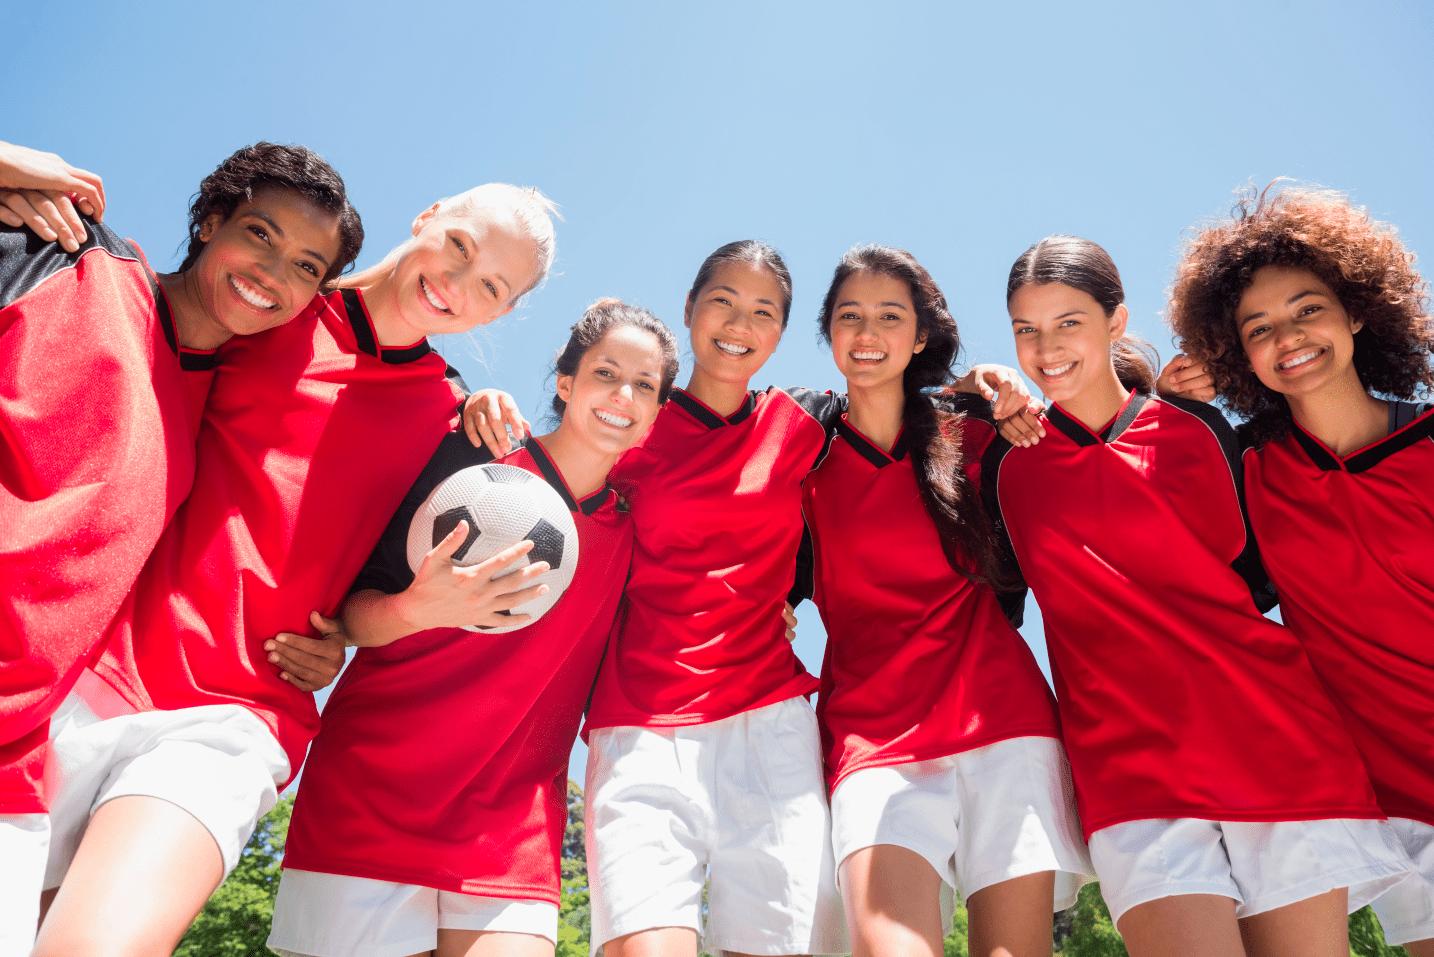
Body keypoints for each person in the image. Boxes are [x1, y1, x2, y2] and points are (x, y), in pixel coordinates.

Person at [31, 181, 559, 957]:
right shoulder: (263, 302)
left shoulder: (455, 431)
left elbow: (359, 610)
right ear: (427, 218)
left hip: (233, 715)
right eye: (459, 245)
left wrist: (407, 611)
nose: (456, 282)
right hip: (79, 668)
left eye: (490, 286)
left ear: (501, 314)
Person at [530, 239, 1034, 957]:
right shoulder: (630, 427)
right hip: (643, 725)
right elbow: (539, 488)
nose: (740, 322)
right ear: (689, 310)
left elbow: (899, 411)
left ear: (785, 331)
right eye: (722, 301)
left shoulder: (802, 424)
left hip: (771, 727)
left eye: (763, 310)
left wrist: (989, 383)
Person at [980, 234, 1411, 957]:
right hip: (1132, 777)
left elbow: (1261, 581)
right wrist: (983, 381)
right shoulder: (1003, 460)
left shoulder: (1201, 430)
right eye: (1026, 329)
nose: (1046, 347)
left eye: (1069, 323)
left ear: (1116, 323)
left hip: (1274, 748)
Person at [0, 140, 359, 957]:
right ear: (208, 221)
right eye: (260, 234)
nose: (274, 273)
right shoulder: (59, 253)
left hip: (21, 760)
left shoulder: (218, 405)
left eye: (307, 265)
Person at [268, 299, 679, 957]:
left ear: (659, 412)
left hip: (510, 819)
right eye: (605, 372)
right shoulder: (468, 460)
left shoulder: (639, 531)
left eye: (644, 385)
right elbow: (348, 616)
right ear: (565, 382)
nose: (621, 395)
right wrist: (418, 608)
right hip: (371, 794)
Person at [803, 244, 1093, 957]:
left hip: (1004, 724)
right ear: (828, 332)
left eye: (889, 316)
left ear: (921, 336)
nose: (868, 334)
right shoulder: (801, 452)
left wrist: (1175, 386)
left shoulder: (976, 430)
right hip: (875, 739)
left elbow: (1095, 438)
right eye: (850, 316)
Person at [1166, 186, 1434, 956]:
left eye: (1307, 309)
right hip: (1393, 805)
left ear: (1355, 312)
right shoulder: (1249, 467)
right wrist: (1167, 404)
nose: (1288, 336)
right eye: (1259, 328)